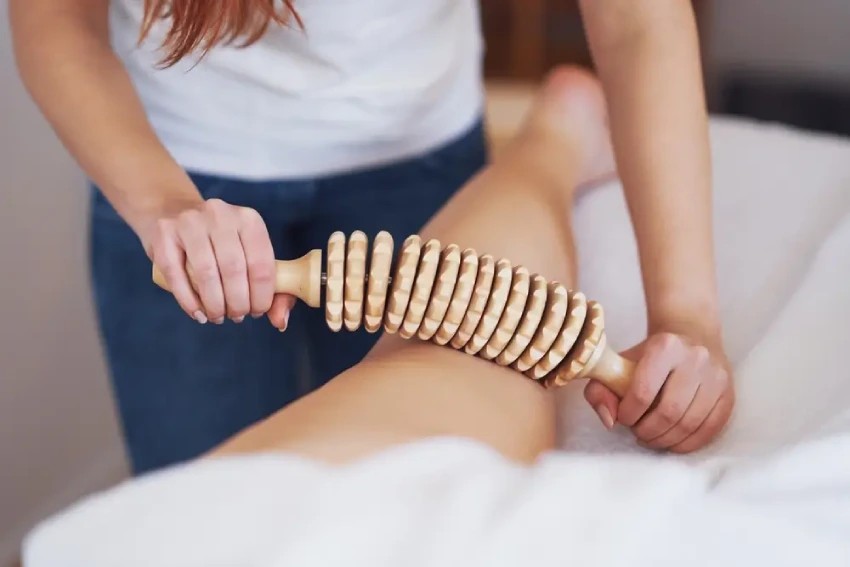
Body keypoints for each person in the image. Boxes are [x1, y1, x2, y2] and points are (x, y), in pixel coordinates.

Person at [9, 0, 733, 475]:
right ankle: (559, 134)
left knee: (435, 464)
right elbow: (53, 17)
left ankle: (558, 135)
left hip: (414, 143)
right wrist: (162, 202)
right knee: (198, 510)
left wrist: (688, 315)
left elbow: (638, 22)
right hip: (173, 172)